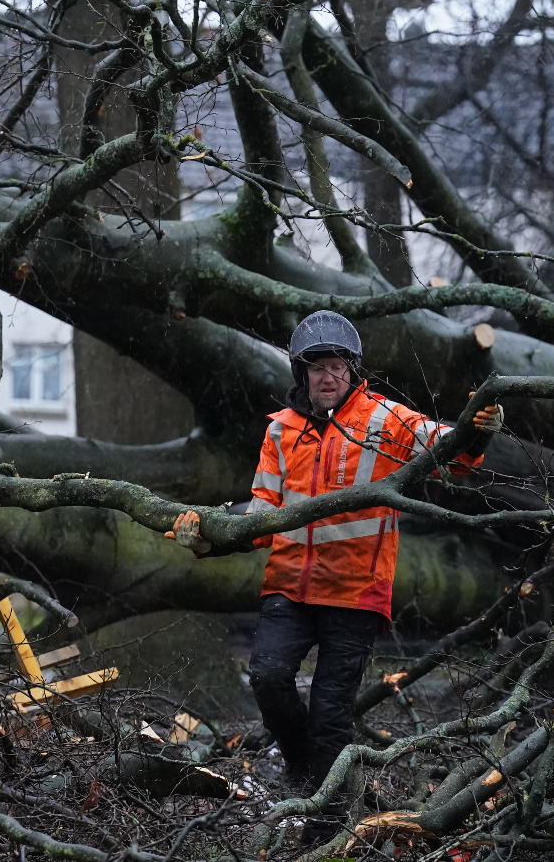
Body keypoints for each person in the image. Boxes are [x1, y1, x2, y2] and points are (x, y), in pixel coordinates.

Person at [166, 310, 504, 792]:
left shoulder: (385, 419)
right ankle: (304, 767)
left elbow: (452, 451)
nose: (329, 376)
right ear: (301, 372)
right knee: (266, 677)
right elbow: (259, 521)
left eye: (339, 365)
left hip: (355, 595)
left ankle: (324, 825)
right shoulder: (280, 431)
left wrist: (479, 426)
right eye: (318, 365)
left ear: (354, 369)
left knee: (329, 715)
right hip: (289, 587)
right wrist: (203, 539)